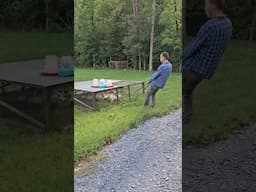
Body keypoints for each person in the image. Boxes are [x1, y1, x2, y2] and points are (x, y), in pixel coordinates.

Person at [182, 0, 232, 124]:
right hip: (206, 71)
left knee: (178, 90)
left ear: (212, 5)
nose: (205, 8)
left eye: (206, 5)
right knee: (187, 91)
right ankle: (187, 118)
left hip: (193, 69)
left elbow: (193, 47)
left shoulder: (209, 26)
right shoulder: (227, 24)